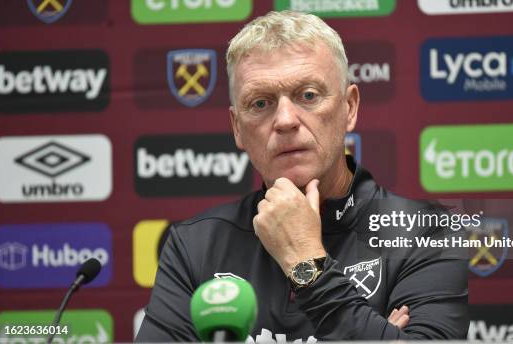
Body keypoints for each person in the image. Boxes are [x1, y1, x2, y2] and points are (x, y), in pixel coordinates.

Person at [136, 10, 468, 342]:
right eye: (261, 102)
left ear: (349, 108)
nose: (284, 120)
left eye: (308, 95)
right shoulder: (195, 245)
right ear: (238, 128)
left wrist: (305, 262)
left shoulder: (427, 233)